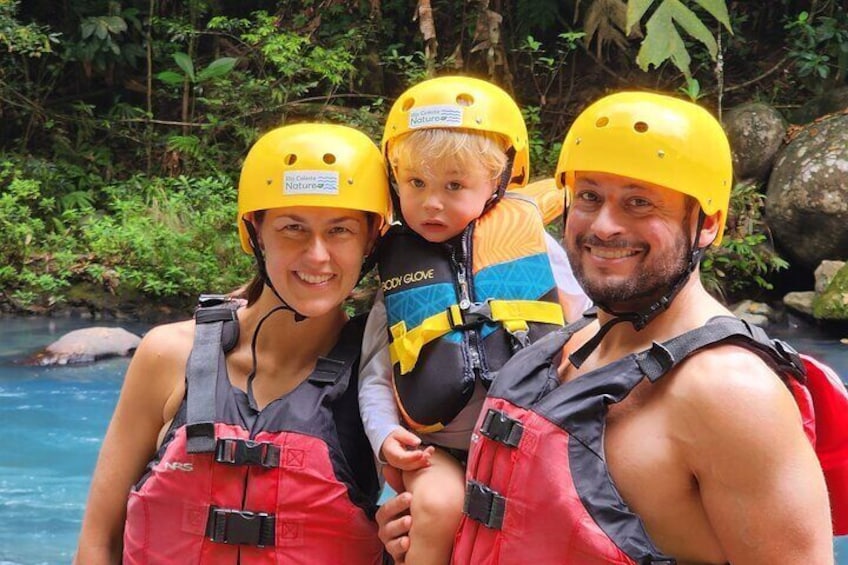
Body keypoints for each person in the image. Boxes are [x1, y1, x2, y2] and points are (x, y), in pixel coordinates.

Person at [380, 92, 836, 564]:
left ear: (708, 224)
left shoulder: (730, 393)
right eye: (590, 197)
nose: (604, 226)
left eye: (640, 203)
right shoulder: (558, 346)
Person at [75, 123, 391, 564]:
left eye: (340, 231)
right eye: (292, 228)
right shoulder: (169, 354)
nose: (318, 255)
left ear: (371, 241)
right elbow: (97, 543)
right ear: (256, 232)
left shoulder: (382, 376)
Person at [359, 75, 591, 564]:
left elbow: (590, 327)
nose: (432, 202)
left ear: (499, 183)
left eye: (455, 185)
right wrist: (385, 439)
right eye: (416, 183)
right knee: (436, 506)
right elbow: (377, 375)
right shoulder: (401, 269)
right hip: (435, 448)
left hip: (528, 441)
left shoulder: (532, 247)